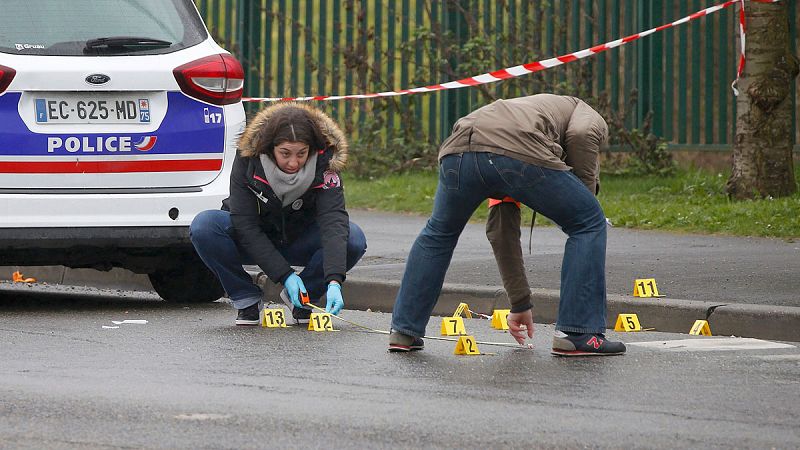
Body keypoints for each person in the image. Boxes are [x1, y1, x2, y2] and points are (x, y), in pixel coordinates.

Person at [388, 93, 625, 356]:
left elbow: (502, 232)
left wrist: (520, 303)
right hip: (513, 152)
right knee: (589, 222)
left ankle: (404, 331)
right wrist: (584, 195)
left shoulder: (522, 117)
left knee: (438, 233)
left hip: (459, 151)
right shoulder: (584, 110)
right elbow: (582, 134)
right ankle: (579, 333)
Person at [190, 102, 367, 326]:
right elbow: (244, 224)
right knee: (204, 226)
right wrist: (286, 276)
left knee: (353, 238)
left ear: (311, 149)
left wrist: (333, 281)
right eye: (285, 153)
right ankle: (246, 298)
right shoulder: (248, 159)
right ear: (269, 147)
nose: (293, 162)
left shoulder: (326, 163)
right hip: (255, 239)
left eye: (301, 154)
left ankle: (305, 298)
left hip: (300, 238)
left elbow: (334, 221)